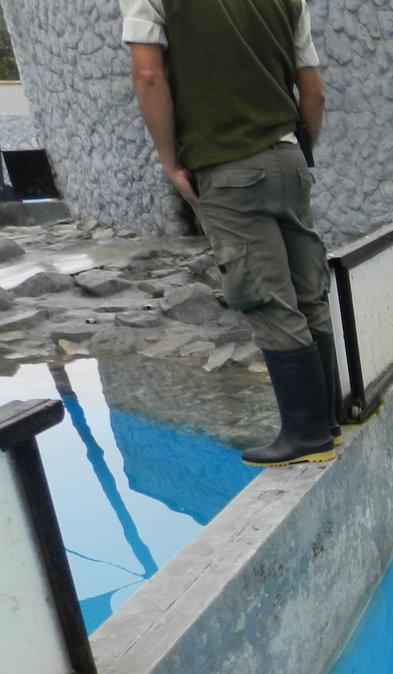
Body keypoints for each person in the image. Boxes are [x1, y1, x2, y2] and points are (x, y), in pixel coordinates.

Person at [122, 0, 343, 466]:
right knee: (309, 292)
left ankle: (306, 436)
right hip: (290, 158)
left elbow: (148, 76)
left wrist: (169, 160)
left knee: (266, 297)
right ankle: (327, 422)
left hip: (226, 166)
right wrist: (299, 152)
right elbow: (314, 93)